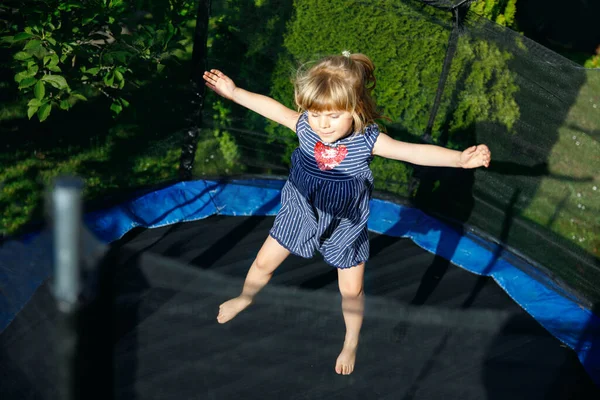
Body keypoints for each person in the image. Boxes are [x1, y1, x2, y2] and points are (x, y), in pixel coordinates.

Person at [202, 52, 491, 375]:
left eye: (334, 116)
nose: (322, 125)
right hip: (301, 210)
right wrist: (234, 92)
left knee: (351, 290)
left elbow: (413, 152)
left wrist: (459, 160)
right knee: (262, 262)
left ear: (354, 109)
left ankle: (351, 339)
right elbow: (271, 107)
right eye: (314, 114)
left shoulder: (369, 141)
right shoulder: (305, 127)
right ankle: (246, 296)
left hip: (345, 224)